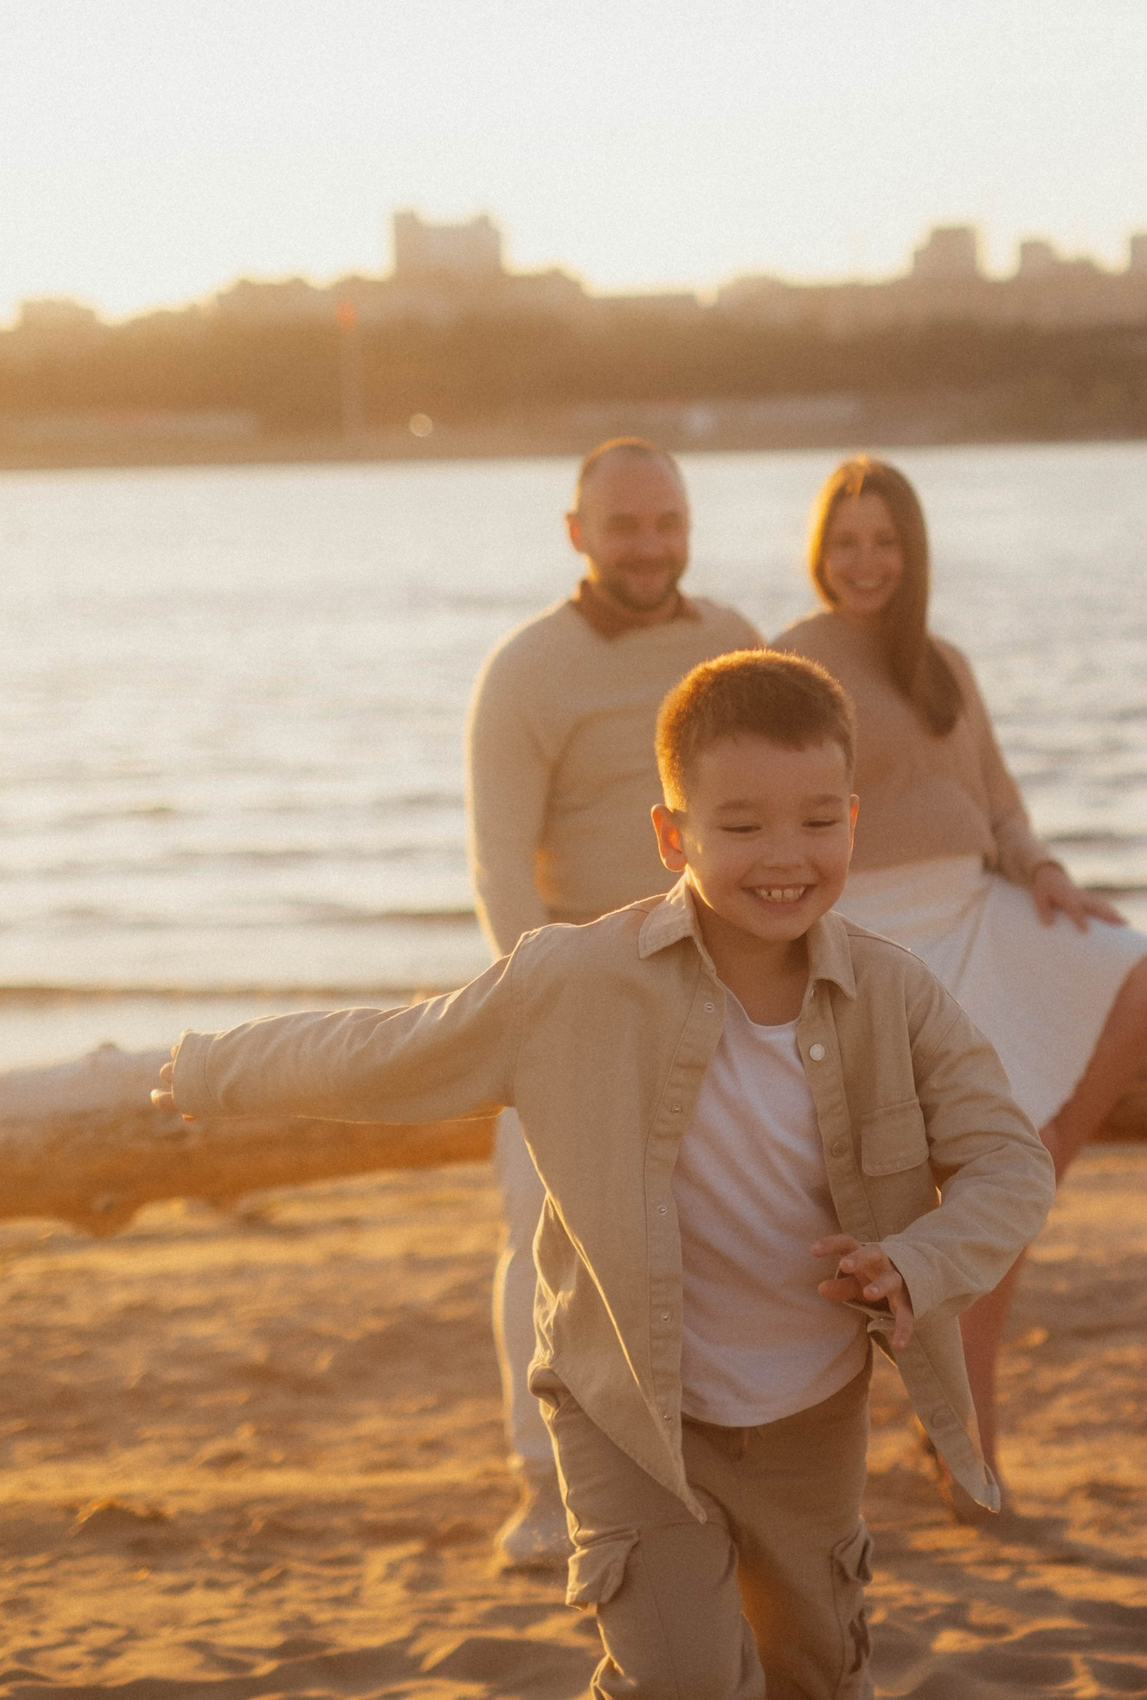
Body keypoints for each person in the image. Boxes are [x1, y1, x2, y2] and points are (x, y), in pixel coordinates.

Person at [157, 651, 1054, 1699]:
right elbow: (389, 1051)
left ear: (853, 819)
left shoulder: (897, 996)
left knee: (814, 1674)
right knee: (680, 1680)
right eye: (742, 825)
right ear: (673, 835)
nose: (785, 856)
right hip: (627, 1408)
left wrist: (916, 1260)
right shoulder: (573, 981)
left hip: (809, 1417)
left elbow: (1008, 1161)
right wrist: (217, 1069)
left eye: (818, 820)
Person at [776, 455, 1147, 1517]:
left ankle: (1028, 1184)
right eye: (846, 542)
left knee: (1137, 969)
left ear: (912, 553)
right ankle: (969, 1457)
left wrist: (1042, 868)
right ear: (820, 552)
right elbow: (781, 812)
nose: (865, 562)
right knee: (970, 1212)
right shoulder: (791, 659)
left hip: (980, 908)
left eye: (884, 542)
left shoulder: (943, 661)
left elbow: (998, 800)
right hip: (879, 933)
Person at [465, 437, 762, 1569]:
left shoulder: (731, 641)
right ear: (577, 532)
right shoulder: (526, 669)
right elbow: (499, 865)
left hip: (726, 981)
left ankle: (718, 1470)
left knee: (735, 1234)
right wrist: (543, 1006)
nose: (649, 545)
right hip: (573, 992)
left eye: (666, 522)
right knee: (548, 1237)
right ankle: (543, 1484)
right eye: (625, 525)